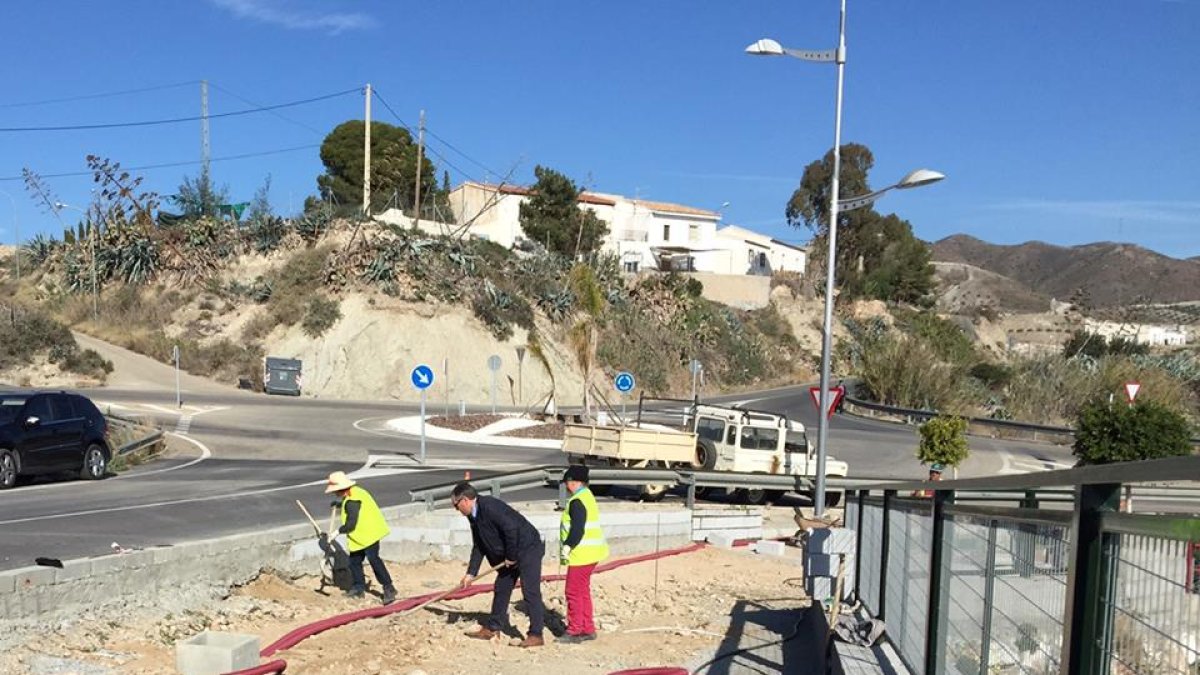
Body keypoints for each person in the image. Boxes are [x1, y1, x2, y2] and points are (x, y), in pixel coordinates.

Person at [452, 481, 545, 648]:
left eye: (456, 505)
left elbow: (511, 529)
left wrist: (511, 556)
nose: (456, 510)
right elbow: (479, 545)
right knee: (502, 587)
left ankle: (536, 634)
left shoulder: (490, 507)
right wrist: (471, 573)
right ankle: (493, 627)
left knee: (530, 591)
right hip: (509, 554)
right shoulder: (473, 516)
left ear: (465, 500)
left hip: (527, 548)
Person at [324, 471, 397, 604]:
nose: (335, 494)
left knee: (374, 560)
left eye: (336, 492)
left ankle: (388, 588)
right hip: (361, 536)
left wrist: (337, 532)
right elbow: (353, 506)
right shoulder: (355, 492)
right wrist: (340, 504)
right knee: (354, 562)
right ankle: (358, 588)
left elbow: (351, 524)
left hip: (369, 534)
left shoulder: (353, 501)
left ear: (341, 489)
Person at [558, 464, 609, 644]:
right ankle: (587, 628)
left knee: (572, 591)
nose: (566, 485)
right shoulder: (587, 496)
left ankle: (575, 630)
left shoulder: (577, 502)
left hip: (581, 555)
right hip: (592, 553)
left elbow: (577, 529)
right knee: (582, 591)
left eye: (567, 482)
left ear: (574, 482)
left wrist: (568, 546)